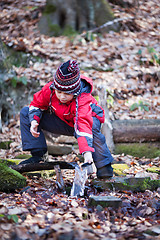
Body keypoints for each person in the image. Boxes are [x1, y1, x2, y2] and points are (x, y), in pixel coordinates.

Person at [19, 60, 114, 179]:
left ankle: (104, 166)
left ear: (75, 92)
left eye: (67, 94)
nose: (62, 96)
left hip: (86, 123)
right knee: (26, 112)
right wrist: (34, 121)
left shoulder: (82, 99)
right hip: (63, 120)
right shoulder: (50, 89)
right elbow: (37, 104)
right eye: (59, 92)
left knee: (92, 128)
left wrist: (87, 153)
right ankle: (38, 156)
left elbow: (83, 124)